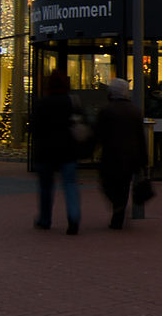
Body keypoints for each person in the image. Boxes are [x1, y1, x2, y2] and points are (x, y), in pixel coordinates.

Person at [29, 68, 85, 235]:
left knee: (46, 187)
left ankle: (45, 220)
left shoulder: (41, 103)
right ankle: (73, 218)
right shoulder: (72, 102)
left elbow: (34, 128)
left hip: (45, 151)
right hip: (68, 150)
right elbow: (81, 123)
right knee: (69, 185)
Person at [94, 78, 148, 230]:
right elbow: (140, 137)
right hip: (130, 156)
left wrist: (90, 148)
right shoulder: (135, 111)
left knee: (107, 183)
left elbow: (98, 133)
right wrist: (143, 160)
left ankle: (117, 209)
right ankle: (118, 213)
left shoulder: (106, 111)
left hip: (110, 155)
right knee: (123, 186)